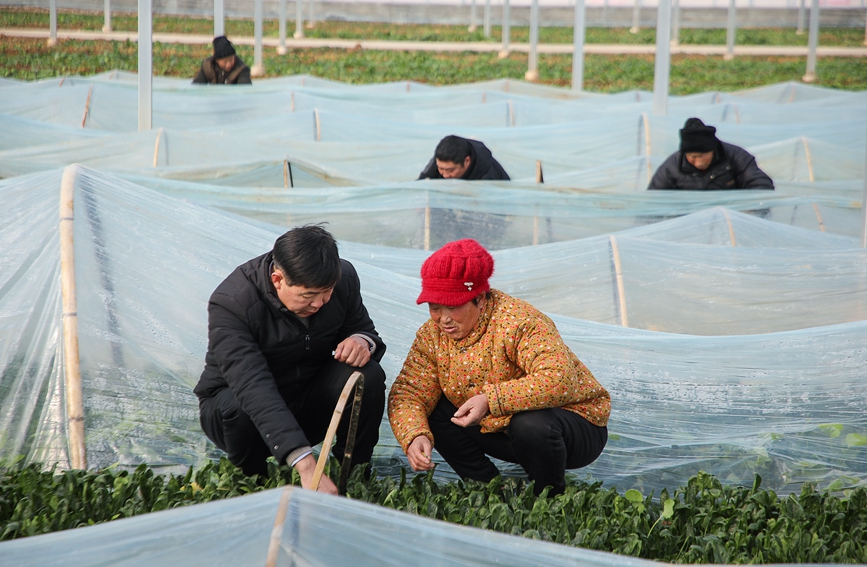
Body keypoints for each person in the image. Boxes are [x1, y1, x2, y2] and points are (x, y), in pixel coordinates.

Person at [388, 239, 610, 496]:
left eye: (453, 306)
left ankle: (549, 500)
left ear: (480, 299)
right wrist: (414, 435)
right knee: (434, 410)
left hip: (573, 431)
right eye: (435, 307)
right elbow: (408, 392)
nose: (444, 318)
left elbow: (559, 378)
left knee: (529, 423)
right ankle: (489, 490)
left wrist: (491, 399)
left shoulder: (518, 322)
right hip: (502, 430)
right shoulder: (432, 336)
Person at [194, 225, 386, 494]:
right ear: (277, 280)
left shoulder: (345, 279)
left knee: (367, 374)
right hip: (240, 412)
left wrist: (361, 341)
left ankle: (352, 477)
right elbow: (252, 386)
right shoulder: (233, 303)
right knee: (238, 407)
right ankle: (253, 484)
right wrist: (306, 465)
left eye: (326, 292)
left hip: (305, 398)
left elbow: (363, 328)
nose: (319, 304)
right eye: (308, 295)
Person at [648, 117, 774, 190]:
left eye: (703, 156)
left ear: (713, 150)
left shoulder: (736, 157)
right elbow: (653, 201)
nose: (698, 163)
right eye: (692, 157)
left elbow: (760, 185)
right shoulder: (672, 166)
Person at [418, 135, 510, 181]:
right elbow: (423, 181)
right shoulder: (443, 159)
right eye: (441, 169)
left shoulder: (488, 176)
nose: (445, 175)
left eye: (450, 170)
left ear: (467, 161)